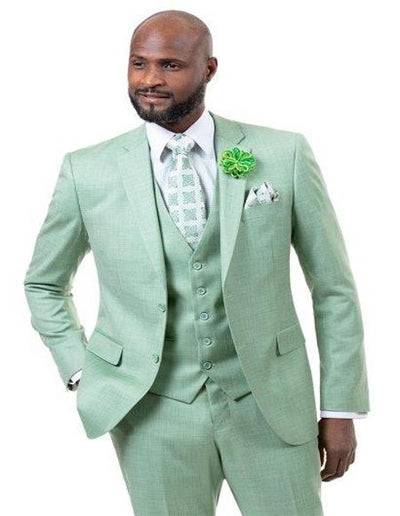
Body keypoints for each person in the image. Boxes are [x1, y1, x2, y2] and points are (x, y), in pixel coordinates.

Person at [23, 9, 370, 516]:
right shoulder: (87, 170)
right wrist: (82, 371)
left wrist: (339, 406)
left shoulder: (282, 153)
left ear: (208, 69)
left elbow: (333, 287)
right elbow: (44, 284)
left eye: (170, 65)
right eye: (138, 64)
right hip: (151, 412)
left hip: (271, 404)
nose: (149, 80)